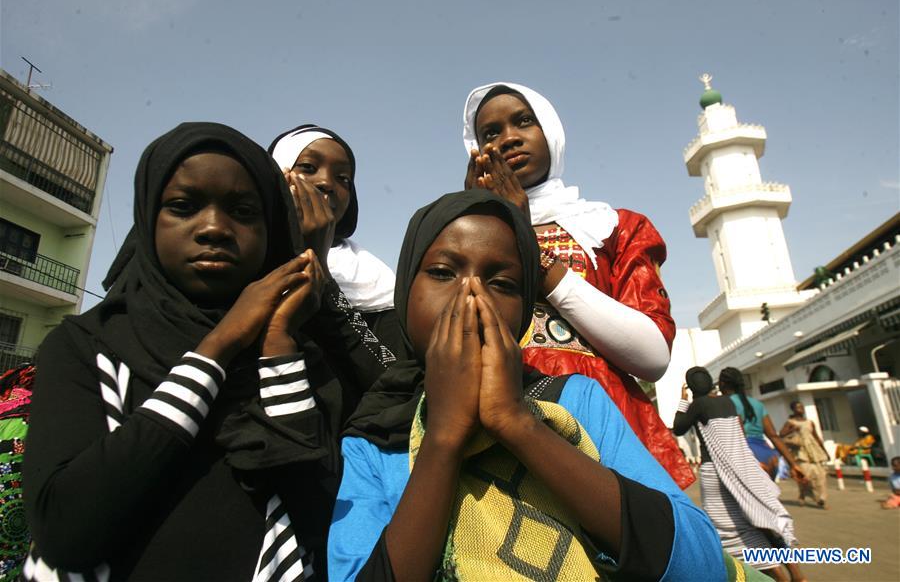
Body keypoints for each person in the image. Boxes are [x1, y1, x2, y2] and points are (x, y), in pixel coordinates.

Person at [22, 123, 373, 580]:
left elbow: (318, 523)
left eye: (244, 211)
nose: (213, 229)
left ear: (273, 227)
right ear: (149, 218)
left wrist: (277, 348)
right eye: (183, 207)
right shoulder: (85, 346)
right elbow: (66, 531)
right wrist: (219, 346)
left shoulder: (298, 357)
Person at [329, 189, 724, 581]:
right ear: (405, 293)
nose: (471, 297)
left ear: (524, 312)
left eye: (501, 283)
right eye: (442, 273)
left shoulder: (575, 402)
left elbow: (702, 566)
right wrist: (443, 439)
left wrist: (515, 422)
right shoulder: (372, 441)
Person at [460, 82, 693, 489]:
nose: (508, 138)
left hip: (602, 426)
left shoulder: (611, 227)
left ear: (550, 132)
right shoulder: (462, 231)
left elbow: (653, 356)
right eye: (490, 134)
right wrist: (474, 224)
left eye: (523, 121)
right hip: (496, 429)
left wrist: (530, 248)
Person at [269, 124, 406, 360]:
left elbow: (390, 372)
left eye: (343, 178)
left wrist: (320, 269)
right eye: (308, 167)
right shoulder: (246, 255)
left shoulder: (372, 279)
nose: (326, 183)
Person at [674, 367, 800, 582]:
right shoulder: (728, 403)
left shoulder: (698, 405)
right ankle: (796, 575)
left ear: (692, 386)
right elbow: (740, 434)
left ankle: (777, 576)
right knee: (762, 519)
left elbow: (678, 428)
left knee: (734, 532)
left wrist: (683, 400)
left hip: (715, 472)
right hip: (743, 466)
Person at [718, 367, 804, 481]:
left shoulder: (725, 403)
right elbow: (773, 435)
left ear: (722, 384)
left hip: (746, 455)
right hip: (768, 455)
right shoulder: (757, 404)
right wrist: (793, 464)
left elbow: (738, 437)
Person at [780, 401, 830, 509]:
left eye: (802, 407)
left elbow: (816, 437)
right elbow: (781, 434)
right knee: (805, 475)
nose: (801, 409)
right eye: (798, 407)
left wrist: (825, 451)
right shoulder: (790, 422)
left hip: (813, 450)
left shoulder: (810, 422)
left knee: (820, 474)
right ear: (793, 409)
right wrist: (792, 430)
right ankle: (803, 494)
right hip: (800, 451)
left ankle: (821, 498)